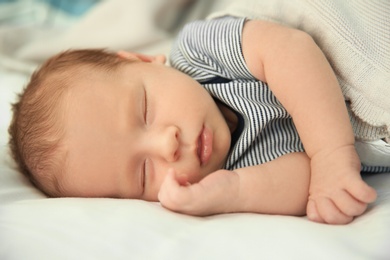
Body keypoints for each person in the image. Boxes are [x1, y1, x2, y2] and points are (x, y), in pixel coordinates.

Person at [8, 16, 389, 225]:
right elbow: (309, 181)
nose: (167, 145)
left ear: (142, 61)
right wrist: (233, 191)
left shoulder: (200, 53)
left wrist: (330, 153)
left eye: (145, 111)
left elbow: (289, 49)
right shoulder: (228, 168)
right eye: (143, 174)